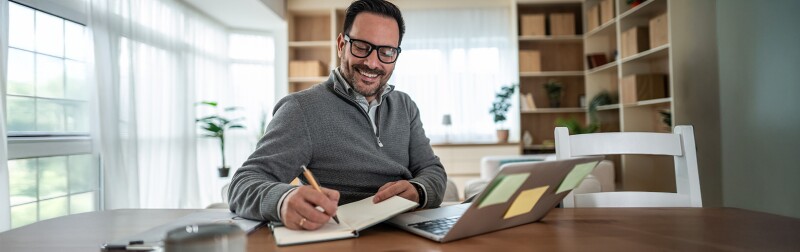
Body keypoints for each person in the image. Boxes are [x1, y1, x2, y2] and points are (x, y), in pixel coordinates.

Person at [228, 0, 447, 231]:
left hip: (409, 234)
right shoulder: (301, 109)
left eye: (386, 52)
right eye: (361, 47)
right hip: (342, 237)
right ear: (342, 45)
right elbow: (243, 185)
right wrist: (282, 200)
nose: (372, 63)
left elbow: (432, 170)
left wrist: (419, 190)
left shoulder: (405, 106)